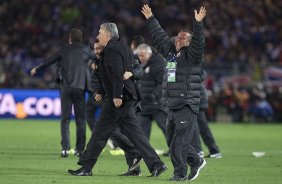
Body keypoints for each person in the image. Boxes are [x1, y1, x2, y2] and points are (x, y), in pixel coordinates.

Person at [67, 22, 167, 177]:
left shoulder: (113, 49)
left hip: (120, 97)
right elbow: (106, 75)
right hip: (125, 97)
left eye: (100, 32)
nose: (98, 35)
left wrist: (117, 95)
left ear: (108, 33)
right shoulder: (119, 46)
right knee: (134, 133)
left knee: (100, 131)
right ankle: (156, 164)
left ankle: (86, 167)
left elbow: (117, 73)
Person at [141, 4, 207, 181]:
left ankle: (179, 174)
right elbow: (159, 36)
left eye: (184, 38)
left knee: (179, 143)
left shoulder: (193, 56)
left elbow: (199, 41)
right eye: (179, 36)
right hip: (172, 104)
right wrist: (151, 19)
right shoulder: (170, 54)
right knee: (171, 141)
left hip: (186, 102)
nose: (179, 39)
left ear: (189, 43)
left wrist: (198, 24)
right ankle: (196, 160)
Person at [31, 28, 95, 157]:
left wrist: (37, 69)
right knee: (80, 120)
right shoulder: (86, 50)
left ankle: (65, 149)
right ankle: (79, 150)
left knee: (65, 119)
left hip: (66, 88)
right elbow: (97, 58)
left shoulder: (64, 49)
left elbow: (49, 61)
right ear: (81, 39)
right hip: (80, 88)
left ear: (70, 38)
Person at [135, 43, 167, 142]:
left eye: (142, 55)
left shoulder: (158, 62)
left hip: (157, 104)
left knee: (167, 130)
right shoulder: (139, 64)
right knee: (141, 133)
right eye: (139, 55)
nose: (140, 58)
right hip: (144, 104)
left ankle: (177, 150)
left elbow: (162, 82)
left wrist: (153, 95)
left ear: (149, 54)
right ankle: (144, 153)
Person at [192, 70, 222, 158]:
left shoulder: (185, 60)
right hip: (197, 96)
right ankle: (214, 150)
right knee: (203, 126)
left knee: (194, 125)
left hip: (193, 97)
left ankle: (198, 151)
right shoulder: (194, 60)